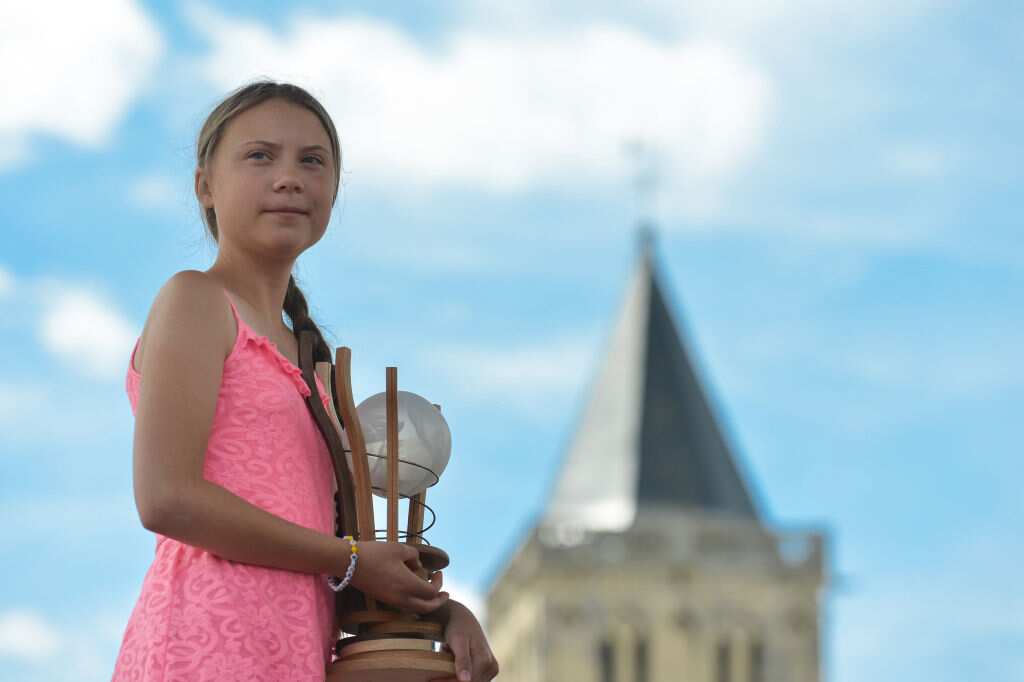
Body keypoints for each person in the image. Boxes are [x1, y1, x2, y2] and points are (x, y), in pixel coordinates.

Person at [112, 80, 498, 681]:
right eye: (260, 155)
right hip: (200, 650)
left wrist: (438, 612)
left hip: (292, 658)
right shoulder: (197, 301)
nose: (288, 177)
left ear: (334, 191)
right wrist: (349, 558)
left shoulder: (314, 368)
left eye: (311, 161)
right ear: (205, 187)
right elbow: (168, 499)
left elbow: (330, 561)